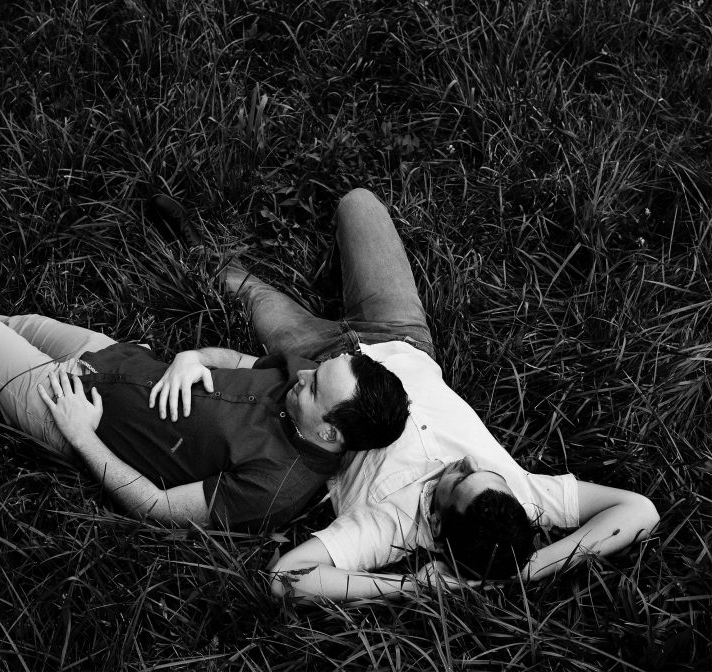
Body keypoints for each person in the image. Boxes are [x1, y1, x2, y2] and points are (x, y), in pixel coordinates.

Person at [161, 187, 658, 601]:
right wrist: (525, 571)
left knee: (243, 288)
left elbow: (286, 577)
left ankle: (200, 246)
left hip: (311, 366)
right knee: (359, 203)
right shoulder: (520, 495)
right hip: (398, 333)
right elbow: (641, 510)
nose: (464, 463)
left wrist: (414, 587)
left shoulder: (390, 526)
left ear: (437, 527)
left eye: (458, 480)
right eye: (482, 471)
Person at [0, 234, 411, 533]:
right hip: (111, 356)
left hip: (68, 404)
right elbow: (239, 359)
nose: (304, 374)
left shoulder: (275, 488)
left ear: (330, 434)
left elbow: (155, 505)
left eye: (314, 388)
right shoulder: (307, 387)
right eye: (315, 370)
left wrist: (81, 435)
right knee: (10, 326)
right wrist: (191, 358)